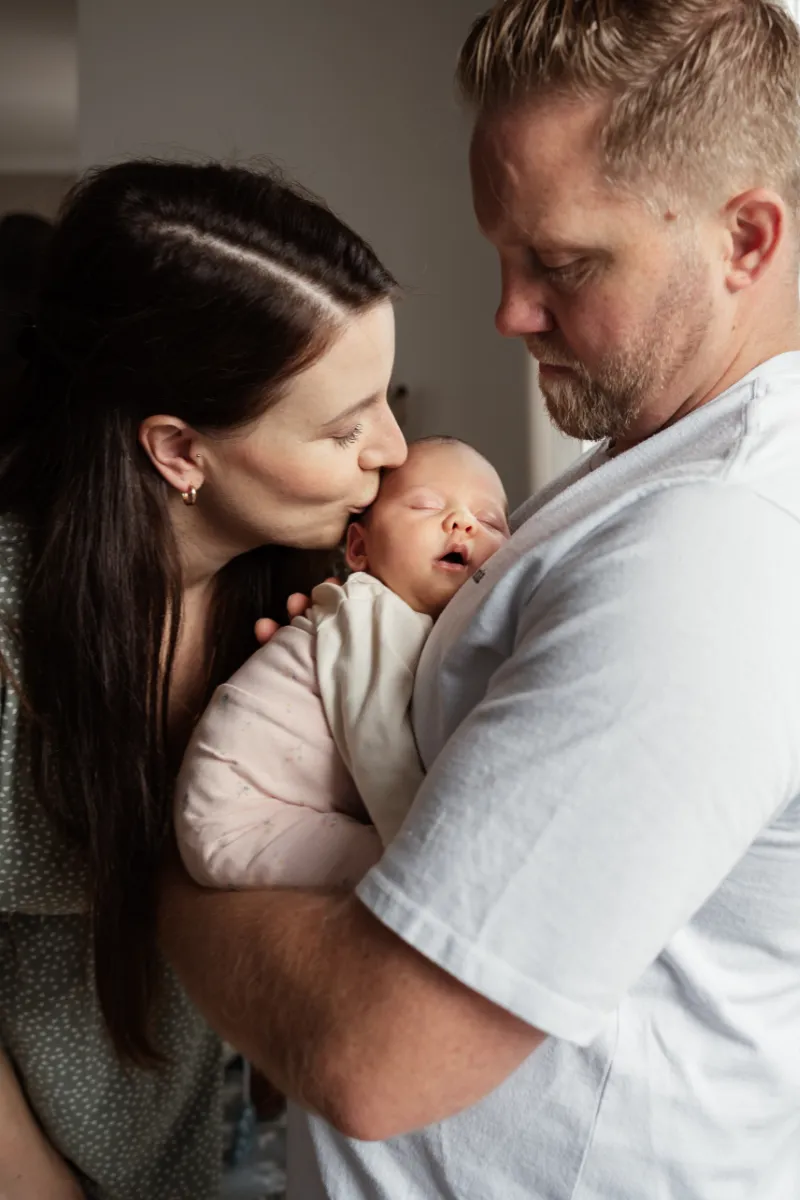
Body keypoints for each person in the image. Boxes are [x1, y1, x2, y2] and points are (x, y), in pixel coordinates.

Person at [159, 2, 800, 1198]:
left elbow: (374, 1056)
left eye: (560, 263)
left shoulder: (711, 550)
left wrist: (161, 869)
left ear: (745, 239)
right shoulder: (641, 468)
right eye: (501, 254)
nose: (507, 311)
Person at [0, 159, 405, 1198]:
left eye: (385, 403)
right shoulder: (10, 633)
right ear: (179, 451)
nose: (393, 450)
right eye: (344, 428)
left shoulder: (319, 604)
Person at [176, 436, 509, 889]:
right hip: (239, 816)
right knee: (411, 872)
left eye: (489, 521)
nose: (463, 522)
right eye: (426, 506)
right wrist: (423, 844)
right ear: (358, 549)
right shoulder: (369, 613)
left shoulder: (413, 626)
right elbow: (379, 742)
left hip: (252, 809)